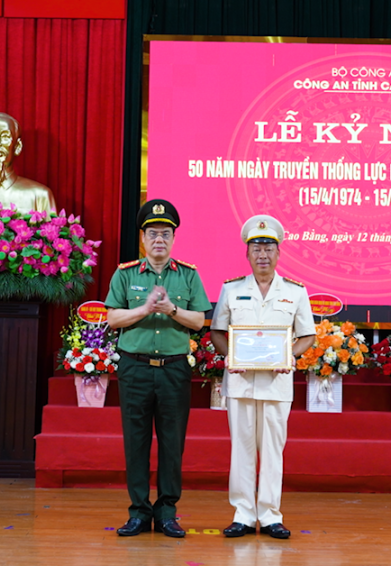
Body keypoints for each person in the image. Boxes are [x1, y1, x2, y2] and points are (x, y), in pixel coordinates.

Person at [104, 199, 211, 538]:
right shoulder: (126, 274)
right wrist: (145, 309)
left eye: (166, 233)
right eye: (153, 234)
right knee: (135, 442)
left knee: (171, 442)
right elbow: (112, 317)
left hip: (173, 370)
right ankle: (138, 512)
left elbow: (199, 321)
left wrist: (170, 309)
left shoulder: (188, 275)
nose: (159, 240)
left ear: (174, 238)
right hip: (134, 369)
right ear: (143, 239)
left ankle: (166, 512)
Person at [209, 215, 315, 540]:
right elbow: (216, 331)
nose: (263, 254)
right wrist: (230, 355)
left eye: (269, 247)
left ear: (279, 253)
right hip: (240, 382)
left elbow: (307, 336)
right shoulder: (231, 289)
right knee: (241, 449)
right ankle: (242, 513)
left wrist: (288, 357)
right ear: (248, 254)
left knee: (272, 450)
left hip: (276, 383)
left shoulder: (295, 292)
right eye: (256, 248)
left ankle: (270, 515)